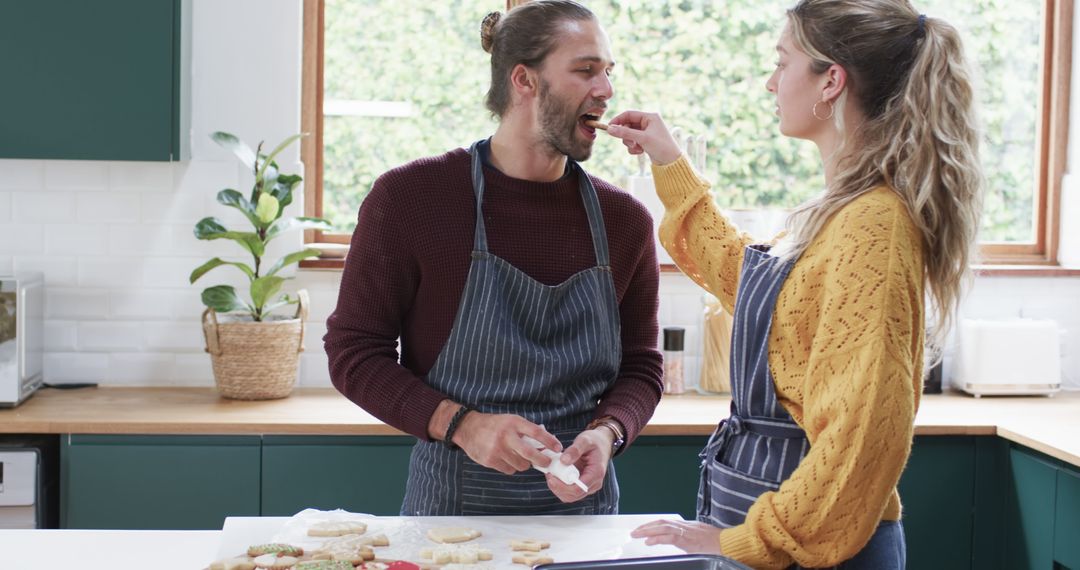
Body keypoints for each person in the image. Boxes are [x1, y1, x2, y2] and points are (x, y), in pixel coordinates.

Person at [606, 1, 982, 568]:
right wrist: (669, 162)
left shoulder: (873, 225)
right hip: (786, 539)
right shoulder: (839, 212)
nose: (769, 82)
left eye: (783, 63)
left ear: (831, 81)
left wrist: (742, 540)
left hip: (820, 552)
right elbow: (751, 285)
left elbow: (859, 440)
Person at [323, 0, 663, 517]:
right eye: (585, 70)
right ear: (523, 80)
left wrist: (608, 432)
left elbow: (641, 366)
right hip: (450, 524)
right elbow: (353, 353)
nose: (607, 90)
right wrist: (464, 424)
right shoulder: (411, 199)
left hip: (585, 524)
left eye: (609, 72)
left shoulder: (625, 220)